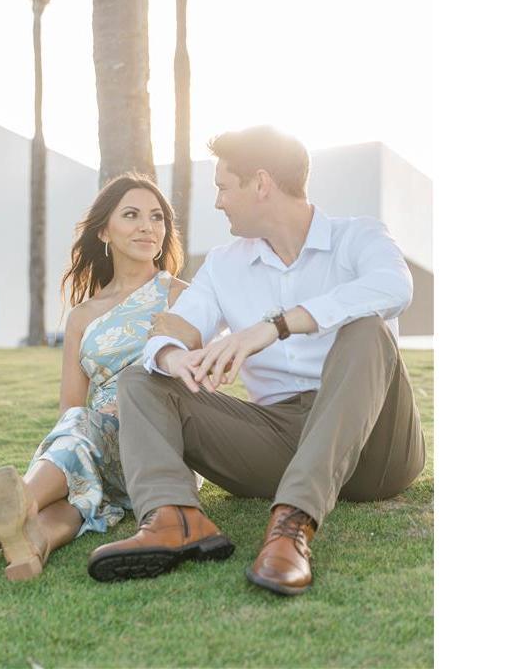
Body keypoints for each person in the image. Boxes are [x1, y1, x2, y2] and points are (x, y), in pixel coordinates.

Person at [87, 126, 426, 596]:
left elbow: (393, 289)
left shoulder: (359, 236)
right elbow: (176, 328)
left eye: (224, 187)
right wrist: (176, 356)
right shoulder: (225, 264)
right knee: (143, 381)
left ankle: (292, 526)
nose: (219, 202)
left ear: (261, 183)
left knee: (365, 328)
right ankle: (174, 519)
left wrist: (275, 326)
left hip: (377, 445)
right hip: (282, 438)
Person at [0, 174, 200, 581]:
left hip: (160, 442)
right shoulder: (83, 316)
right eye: (132, 215)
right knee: (77, 436)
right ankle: (31, 545)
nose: (148, 226)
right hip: (99, 444)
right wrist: (90, 434)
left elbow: (199, 374)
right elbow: (71, 407)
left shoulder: (183, 295)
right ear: (105, 231)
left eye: (157, 217)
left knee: (79, 431)